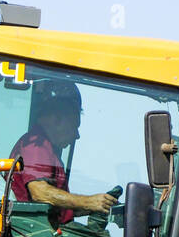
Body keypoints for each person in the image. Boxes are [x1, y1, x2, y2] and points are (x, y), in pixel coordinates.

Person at [8, 81, 118, 222]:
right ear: (57, 119)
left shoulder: (48, 149)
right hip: (36, 234)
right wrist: (88, 202)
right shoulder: (36, 146)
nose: (77, 135)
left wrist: (101, 205)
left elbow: (60, 207)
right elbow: (39, 193)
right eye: (75, 126)